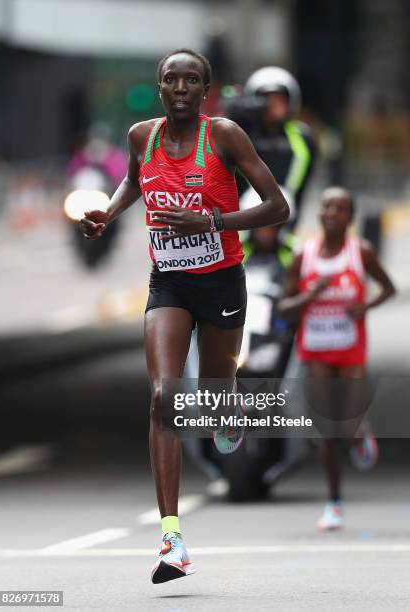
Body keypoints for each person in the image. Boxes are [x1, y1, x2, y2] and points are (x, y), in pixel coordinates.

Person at [79, 48, 289, 583]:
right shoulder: (140, 136)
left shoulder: (223, 136)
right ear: (160, 87)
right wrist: (109, 210)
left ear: (204, 90)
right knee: (163, 396)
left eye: (190, 80)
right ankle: (172, 540)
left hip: (221, 279)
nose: (179, 87)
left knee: (216, 389)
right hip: (168, 281)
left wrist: (212, 223)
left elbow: (276, 206)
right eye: (170, 79)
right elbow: (133, 180)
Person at [278, 186, 396, 530]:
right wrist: (310, 295)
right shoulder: (304, 256)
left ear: (350, 217)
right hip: (315, 349)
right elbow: (284, 308)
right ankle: (334, 502)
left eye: (340, 208)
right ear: (320, 213)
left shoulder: (362, 252)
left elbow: (389, 288)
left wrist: (364, 306)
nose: (332, 212)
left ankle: (361, 432)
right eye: (327, 206)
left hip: (350, 350)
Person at [225, 66, 316, 226]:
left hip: (286, 216)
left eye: (279, 100)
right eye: (267, 101)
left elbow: (302, 188)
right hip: (245, 220)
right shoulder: (240, 134)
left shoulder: (303, 137)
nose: (273, 107)